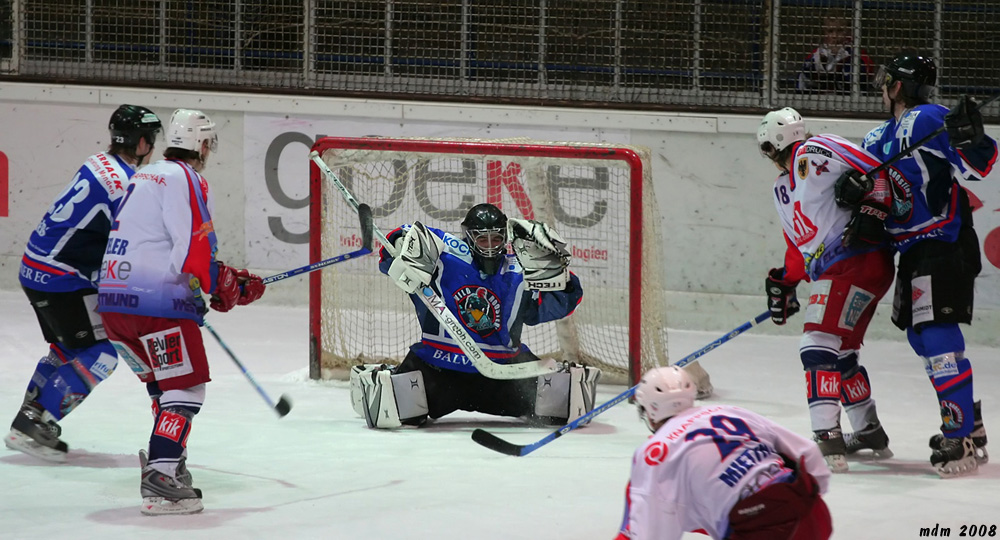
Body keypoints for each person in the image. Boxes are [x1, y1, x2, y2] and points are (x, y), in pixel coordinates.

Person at [97, 108, 266, 515]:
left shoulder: (145, 174)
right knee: (187, 387)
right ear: (202, 145)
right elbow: (193, 246)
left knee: (163, 386)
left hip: (114, 303)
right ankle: (161, 473)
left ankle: (170, 458)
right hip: (155, 304)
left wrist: (218, 280)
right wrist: (223, 283)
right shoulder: (185, 177)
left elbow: (157, 243)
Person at [841, 51, 996, 477]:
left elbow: (979, 165)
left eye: (887, 79)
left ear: (901, 85)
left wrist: (972, 138)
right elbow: (872, 197)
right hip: (909, 251)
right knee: (919, 337)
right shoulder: (874, 138)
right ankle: (970, 420)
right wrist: (851, 190)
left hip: (942, 242)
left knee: (936, 334)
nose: (881, 86)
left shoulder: (927, 117)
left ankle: (958, 430)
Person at [349, 203, 601, 429]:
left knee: (562, 406)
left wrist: (560, 277)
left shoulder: (520, 270)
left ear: (506, 238)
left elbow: (555, 306)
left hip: (505, 375)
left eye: (496, 239)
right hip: (439, 371)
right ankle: (388, 379)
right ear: (470, 238)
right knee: (391, 410)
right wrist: (401, 243)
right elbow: (394, 250)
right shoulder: (443, 255)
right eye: (483, 239)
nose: (491, 246)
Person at [5, 105, 162, 463]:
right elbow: (131, 243)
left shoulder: (97, 162)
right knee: (102, 354)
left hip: (37, 266)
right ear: (141, 143)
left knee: (67, 349)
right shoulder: (125, 184)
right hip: (59, 277)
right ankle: (35, 420)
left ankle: (28, 417)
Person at [755, 107, 895, 473]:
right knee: (843, 351)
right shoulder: (781, 189)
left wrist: (872, 205)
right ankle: (869, 431)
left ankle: (826, 435)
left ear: (774, 145)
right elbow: (799, 246)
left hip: (855, 259)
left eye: (768, 149)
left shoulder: (815, 149)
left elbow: (880, 171)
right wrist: (785, 281)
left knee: (816, 344)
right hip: (844, 268)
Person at [615, 366, 832, 540]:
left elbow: (653, 532)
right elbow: (808, 452)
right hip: (812, 510)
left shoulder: (657, 450)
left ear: (650, 412)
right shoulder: (729, 411)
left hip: (761, 529)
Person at [797, 15, 873, 94]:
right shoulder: (816, 55)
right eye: (830, 31)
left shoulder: (858, 54)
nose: (834, 36)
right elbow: (803, 81)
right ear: (824, 32)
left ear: (849, 31)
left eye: (840, 31)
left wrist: (842, 61)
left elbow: (865, 75)